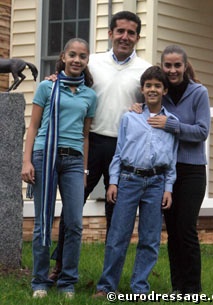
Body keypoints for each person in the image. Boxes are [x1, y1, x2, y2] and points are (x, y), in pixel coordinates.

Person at [49, 10, 151, 281]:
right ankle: (59, 266)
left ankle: (109, 279)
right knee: (73, 208)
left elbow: (154, 104)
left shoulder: (145, 70)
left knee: (117, 217)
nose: (125, 37)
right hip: (89, 144)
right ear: (110, 33)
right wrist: (53, 78)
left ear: (137, 37)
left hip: (125, 149)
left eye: (131, 33)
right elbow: (67, 76)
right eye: (120, 31)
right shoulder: (92, 62)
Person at [131, 45, 211, 295]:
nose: (173, 70)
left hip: (193, 170)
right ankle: (178, 287)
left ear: (185, 66)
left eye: (177, 65)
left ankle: (193, 288)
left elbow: (202, 131)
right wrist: (136, 108)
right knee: (173, 230)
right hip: (165, 171)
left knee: (186, 229)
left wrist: (172, 124)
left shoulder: (199, 93)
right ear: (162, 66)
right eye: (168, 65)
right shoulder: (160, 92)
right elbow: (144, 106)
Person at [93, 65, 178, 298]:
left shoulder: (170, 122)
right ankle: (106, 286)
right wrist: (113, 182)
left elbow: (172, 159)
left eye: (157, 86)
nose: (152, 89)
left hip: (156, 183)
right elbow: (119, 153)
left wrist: (168, 188)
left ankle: (139, 288)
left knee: (150, 239)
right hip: (129, 180)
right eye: (148, 85)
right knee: (118, 235)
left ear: (164, 91)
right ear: (142, 89)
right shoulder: (130, 117)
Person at [21, 38, 97, 299]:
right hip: (45, 155)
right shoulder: (46, 86)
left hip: (74, 160)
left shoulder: (90, 95)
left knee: (75, 222)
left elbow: (86, 135)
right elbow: (32, 126)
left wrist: (86, 170)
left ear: (87, 61)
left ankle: (67, 281)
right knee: (43, 221)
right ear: (63, 56)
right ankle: (40, 281)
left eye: (82, 56)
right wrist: (26, 160)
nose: (77, 60)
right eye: (72, 55)